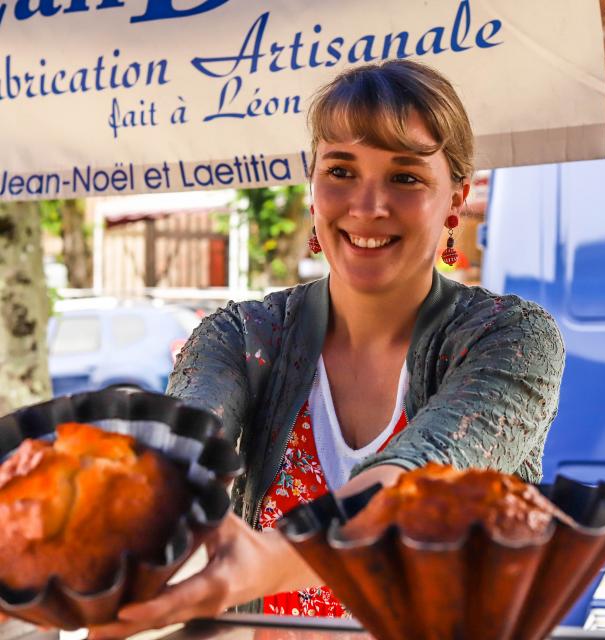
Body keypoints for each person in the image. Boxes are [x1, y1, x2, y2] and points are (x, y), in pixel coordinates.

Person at [89, 59, 565, 637]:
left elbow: (416, 483)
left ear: (455, 201)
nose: (367, 206)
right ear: (312, 188)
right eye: (340, 170)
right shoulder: (239, 336)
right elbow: (186, 448)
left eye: (406, 176)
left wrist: (261, 563)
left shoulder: (511, 339)